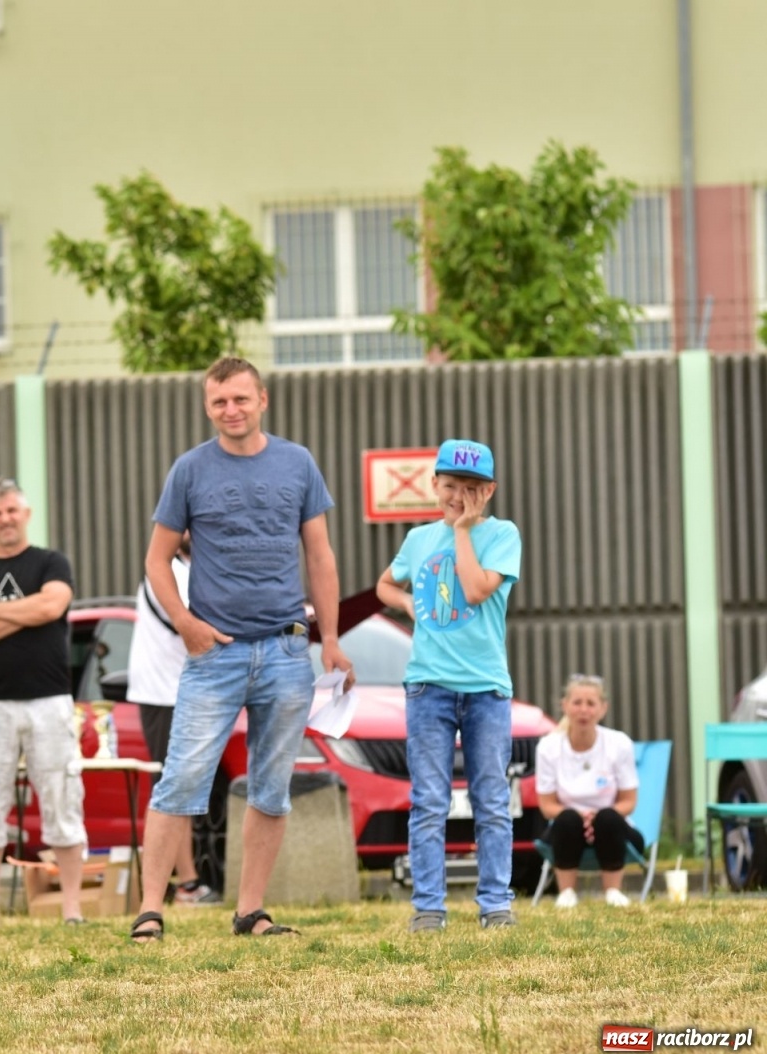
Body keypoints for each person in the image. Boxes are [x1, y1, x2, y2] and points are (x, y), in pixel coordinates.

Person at [131, 357, 351, 943]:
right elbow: (157, 559)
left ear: (263, 400)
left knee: (271, 788)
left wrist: (330, 640)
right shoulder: (190, 470)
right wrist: (184, 623)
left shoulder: (297, 463)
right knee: (181, 780)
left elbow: (321, 557)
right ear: (208, 408)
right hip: (214, 655)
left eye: (240, 400)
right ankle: (150, 911)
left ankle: (250, 912)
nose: (231, 410)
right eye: (219, 402)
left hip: (285, 652)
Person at [376, 439, 523, 933]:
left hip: (485, 687)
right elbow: (384, 584)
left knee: (490, 798)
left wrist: (461, 530)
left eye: (471, 488)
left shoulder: (502, 534)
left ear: (490, 491)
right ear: (433, 485)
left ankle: (495, 904)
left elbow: (479, 589)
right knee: (429, 800)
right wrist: (408, 605)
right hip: (427, 688)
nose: (459, 495)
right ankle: (429, 909)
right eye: (450, 485)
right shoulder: (417, 540)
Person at [0, 475, 87, 926]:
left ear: (25, 514)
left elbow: (53, 607)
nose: (5, 519)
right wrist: (23, 612)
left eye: (11, 510)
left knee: (62, 799)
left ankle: (72, 909)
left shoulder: (52, 562)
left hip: (50, 702)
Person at [125, 532, 219, 905]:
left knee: (185, 786)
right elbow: (205, 625)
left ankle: (186, 883)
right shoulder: (170, 573)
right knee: (176, 787)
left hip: (185, 693)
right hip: (164, 696)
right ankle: (187, 885)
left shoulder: (194, 572)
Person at [535, 674, 640, 908]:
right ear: (564, 706)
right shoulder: (548, 747)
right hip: (567, 829)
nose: (584, 710)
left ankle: (613, 892)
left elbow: (629, 801)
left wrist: (595, 816)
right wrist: (582, 817)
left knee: (608, 817)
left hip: (612, 828)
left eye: (591, 704)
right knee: (567, 818)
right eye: (577, 703)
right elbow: (547, 805)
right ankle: (567, 893)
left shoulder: (619, 743)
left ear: (603, 708)